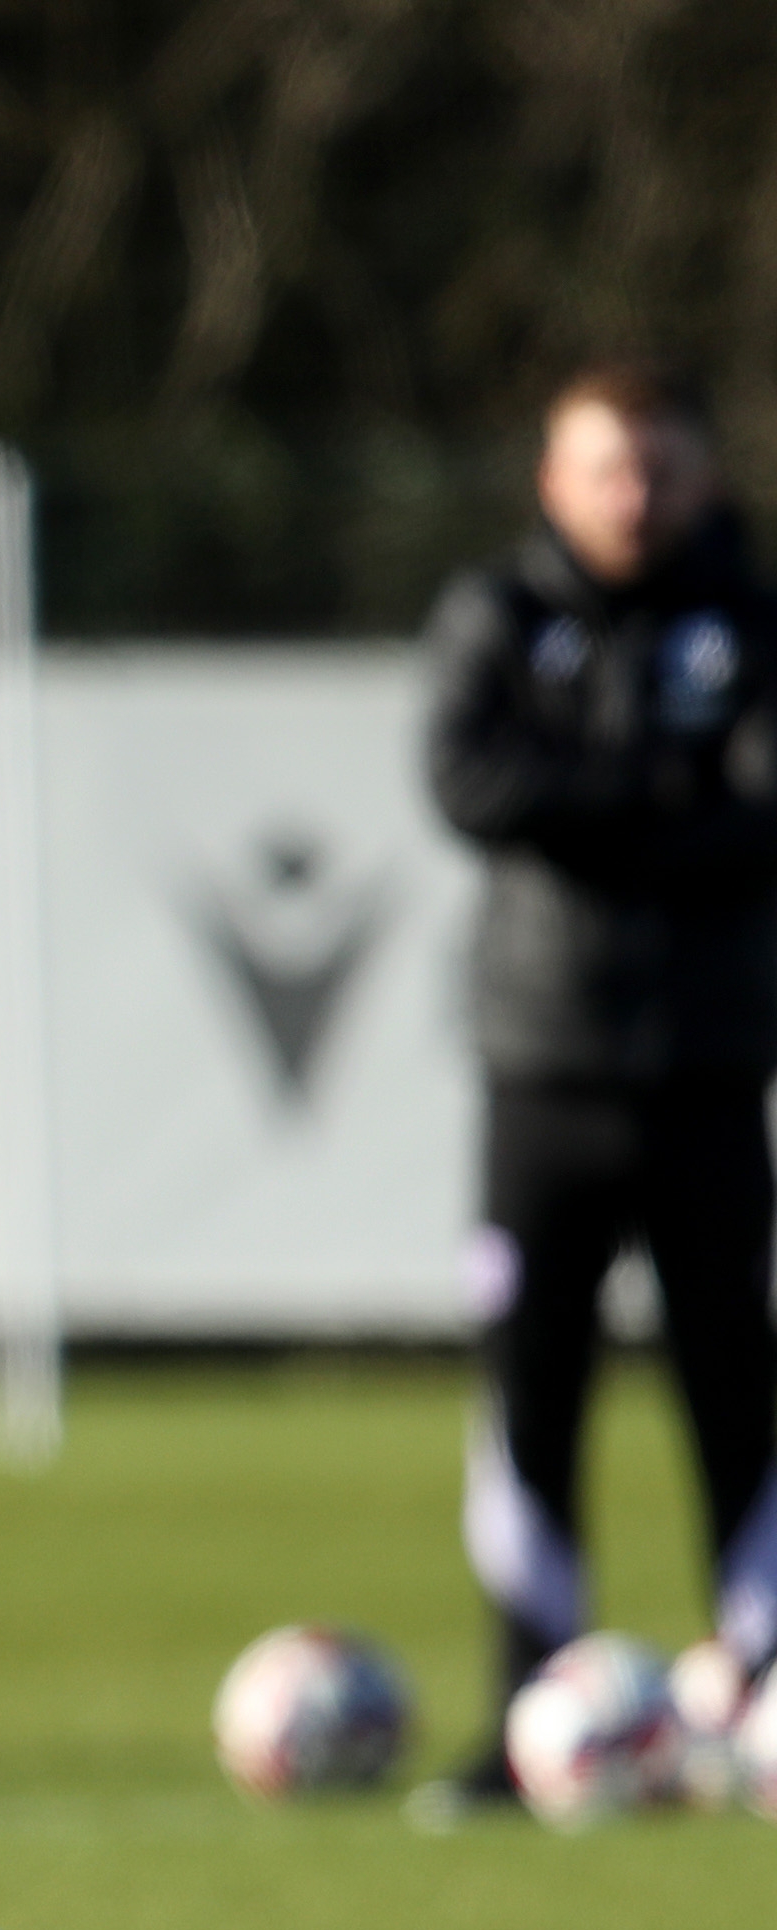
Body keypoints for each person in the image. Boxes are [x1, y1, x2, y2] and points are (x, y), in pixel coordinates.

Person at [419, 360, 777, 1818]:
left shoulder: (752, 623)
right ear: (551, 483)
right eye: (604, 469)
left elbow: (764, 811)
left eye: (658, 468)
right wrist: (666, 794)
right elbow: (471, 788)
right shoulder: (495, 617)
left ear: (700, 477)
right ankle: (523, 1715)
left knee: (738, 1387)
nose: (633, 497)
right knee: (531, 1396)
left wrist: (597, 802)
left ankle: (755, 1699)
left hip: (708, 1068)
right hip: (541, 1066)